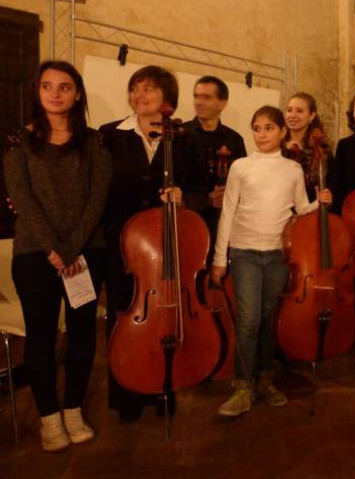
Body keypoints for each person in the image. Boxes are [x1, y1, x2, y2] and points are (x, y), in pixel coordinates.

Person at [4, 61, 111, 451]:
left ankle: (73, 409)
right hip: (35, 253)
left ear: (77, 94)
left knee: (83, 333)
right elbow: (23, 198)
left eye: (64, 86)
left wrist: (70, 248)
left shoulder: (96, 142)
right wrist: (54, 248)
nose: (55, 93)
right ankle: (49, 417)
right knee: (41, 335)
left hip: (87, 252)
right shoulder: (19, 140)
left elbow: (98, 199)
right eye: (47, 86)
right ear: (37, 92)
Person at [100, 65, 209, 423]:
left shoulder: (187, 139)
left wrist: (184, 198)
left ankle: (165, 384)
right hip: (123, 247)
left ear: (167, 98)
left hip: (169, 246)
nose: (139, 95)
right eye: (134, 89)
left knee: (166, 318)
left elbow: (202, 191)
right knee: (122, 318)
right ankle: (125, 393)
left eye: (148, 89)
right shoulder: (109, 135)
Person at [210, 106, 330, 417]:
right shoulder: (240, 166)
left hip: (278, 253)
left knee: (267, 316)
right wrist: (220, 257)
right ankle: (242, 386)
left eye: (268, 128)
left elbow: (300, 208)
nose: (261, 134)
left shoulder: (292, 169)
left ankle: (264, 378)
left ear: (282, 132)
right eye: (256, 128)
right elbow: (228, 212)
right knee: (249, 318)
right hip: (244, 251)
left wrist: (319, 203)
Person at [184, 75, 247, 262]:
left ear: (222, 103)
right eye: (196, 96)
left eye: (206, 97)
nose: (199, 102)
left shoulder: (234, 139)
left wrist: (229, 193)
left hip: (223, 221)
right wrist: (205, 199)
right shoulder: (181, 134)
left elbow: (244, 181)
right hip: (188, 218)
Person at [283, 92, 335, 202]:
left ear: (312, 115)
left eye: (299, 111)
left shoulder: (322, 149)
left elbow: (332, 187)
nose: (292, 115)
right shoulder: (277, 146)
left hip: (310, 209)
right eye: (289, 110)